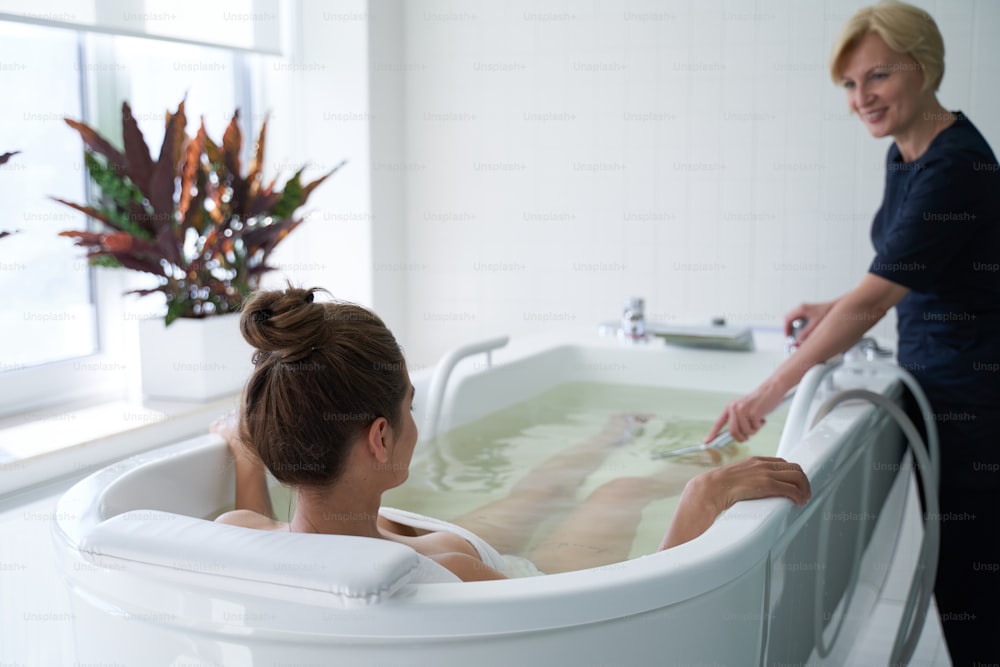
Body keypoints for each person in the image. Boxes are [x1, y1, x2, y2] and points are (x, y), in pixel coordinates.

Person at [705, 2, 1000, 663]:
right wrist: (829, 303)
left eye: (877, 77)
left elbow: (874, 303)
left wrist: (769, 390)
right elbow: (910, 269)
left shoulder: (954, 166)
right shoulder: (909, 151)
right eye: (848, 83)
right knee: (960, 575)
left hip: (977, 405)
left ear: (922, 70)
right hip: (942, 386)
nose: (860, 97)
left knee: (972, 582)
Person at [214, 285, 810, 581]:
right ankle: (661, 454)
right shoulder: (448, 571)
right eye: (410, 408)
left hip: (394, 529)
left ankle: (607, 437)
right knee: (617, 492)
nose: (415, 425)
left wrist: (247, 462)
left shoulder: (236, 535)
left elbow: (268, 539)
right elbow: (618, 635)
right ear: (380, 439)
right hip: (472, 554)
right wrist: (701, 500)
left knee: (536, 491)